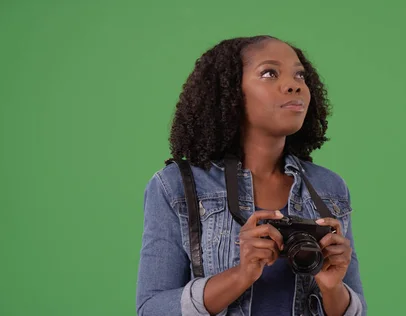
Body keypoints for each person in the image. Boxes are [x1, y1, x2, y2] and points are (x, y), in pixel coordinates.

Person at [135, 35, 366, 316]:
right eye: (269, 73)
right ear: (230, 92)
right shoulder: (177, 186)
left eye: (300, 75)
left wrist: (332, 288)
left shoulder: (329, 187)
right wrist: (240, 275)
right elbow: (151, 309)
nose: (294, 85)